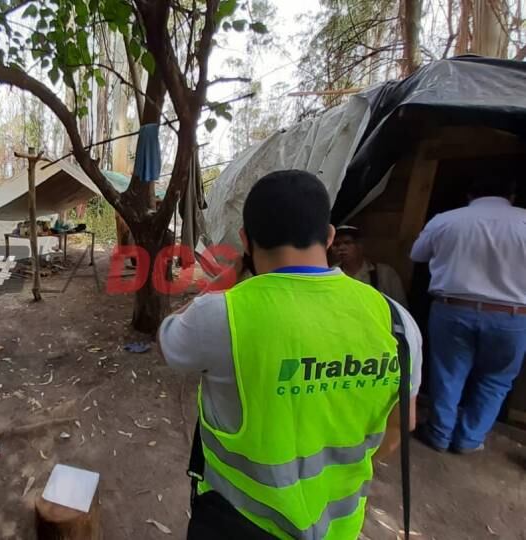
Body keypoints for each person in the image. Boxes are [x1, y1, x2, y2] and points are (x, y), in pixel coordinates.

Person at [158, 170, 422, 540]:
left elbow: (170, 341)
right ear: (329, 236)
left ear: (246, 242)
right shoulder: (397, 321)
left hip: (239, 523)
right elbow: (401, 424)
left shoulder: (221, 316)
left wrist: (221, 282)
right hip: (340, 525)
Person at [411, 177, 526, 454]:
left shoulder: (447, 220)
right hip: (512, 315)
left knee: (448, 372)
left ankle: (439, 433)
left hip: (453, 308)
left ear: (469, 194)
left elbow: (417, 254)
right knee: (495, 379)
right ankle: (469, 439)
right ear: (510, 195)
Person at [331, 225, 408, 306]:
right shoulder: (331, 273)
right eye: (336, 244)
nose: (341, 248)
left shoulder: (385, 274)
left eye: (347, 242)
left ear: (359, 246)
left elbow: (400, 308)